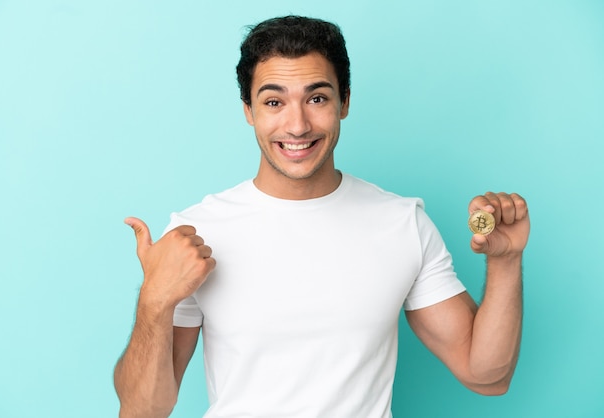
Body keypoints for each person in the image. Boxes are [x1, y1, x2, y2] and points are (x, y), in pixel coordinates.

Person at [113, 15, 530, 418]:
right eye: (274, 101)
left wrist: (505, 260)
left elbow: (487, 377)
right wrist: (154, 300)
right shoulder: (196, 233)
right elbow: (141, 412)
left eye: (316, 98)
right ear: (248, 110)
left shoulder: (403, 223)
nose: (297, 125)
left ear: (344, 101)